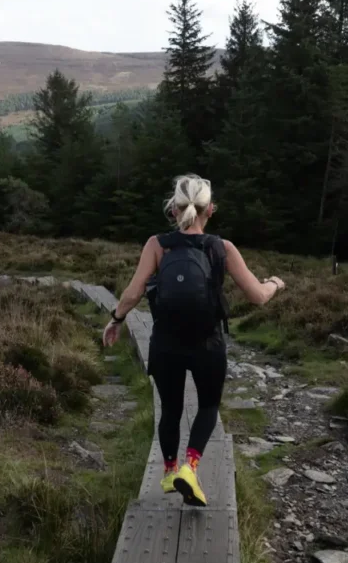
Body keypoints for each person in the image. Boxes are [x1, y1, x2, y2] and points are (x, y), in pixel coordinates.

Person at [103, 174, 285, 506]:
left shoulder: (157, 244)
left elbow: (133, 293)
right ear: (210, 210)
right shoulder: (221, 247)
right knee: (208, 406)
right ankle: (192, 466)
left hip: (165, 344)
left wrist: (115, 321)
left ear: (173, 209)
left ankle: (171, 472)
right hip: (208, 345)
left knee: (170, 410)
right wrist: (274, 282)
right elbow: (258, 296)